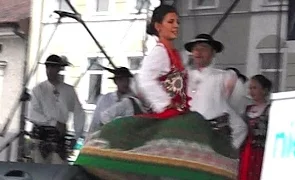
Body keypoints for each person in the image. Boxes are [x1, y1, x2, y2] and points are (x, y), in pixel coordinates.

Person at [75, 5, 239, 180]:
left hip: (194, 123)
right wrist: (165, 104)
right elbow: (144, 80)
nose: (176, 25)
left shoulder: (217, 74)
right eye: (170, 22)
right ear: (159, 26)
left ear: (213, 53)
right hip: (178, 121)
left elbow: (233, 109)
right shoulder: (163, 53)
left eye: (177, 22)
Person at [185, 34, 248, 150]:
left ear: (213, 53)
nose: (198, 52)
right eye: (195, 49)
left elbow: (237, 115)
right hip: (188, 135)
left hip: (213, 136)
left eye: (203, 48)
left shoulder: (224, 77)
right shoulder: (185, 77)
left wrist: (229, 148)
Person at [28, 54, 85, 164]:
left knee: (58, 169)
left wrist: (77, 136)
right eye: (48, 67)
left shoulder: (68, 90)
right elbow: (33, 114)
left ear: (59, 69)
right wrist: (54, 123)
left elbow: (79, 113)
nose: (50, 70)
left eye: (53, 67)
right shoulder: (38, 89)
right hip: (40, 135)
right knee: (39, 169)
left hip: (59, 136)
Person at [238, 74, 272, 180]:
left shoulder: (270, 109)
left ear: (264, 90)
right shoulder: (247, 109)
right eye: (250, 88)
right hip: (246, 152)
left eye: (255, 88)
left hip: (262, 152)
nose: (251, 91)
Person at [89, 67, 133, 132]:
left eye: (127, 80)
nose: (125, 83)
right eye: (121, 80)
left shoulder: (133, 101)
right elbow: (95, 121)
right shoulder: (105, 99)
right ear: (115, 82)